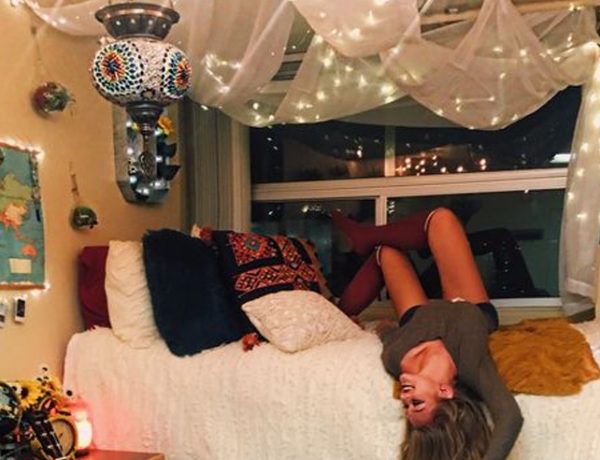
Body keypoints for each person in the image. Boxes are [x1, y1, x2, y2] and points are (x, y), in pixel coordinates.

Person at [332, 208, 523, 460]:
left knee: (385, 252)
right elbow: (510, 418)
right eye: (417, 402)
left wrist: (361, 325)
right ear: (445, 391)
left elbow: (387, 332)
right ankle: (364, 236)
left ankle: (336, 310)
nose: (405, 396)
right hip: (466, 304)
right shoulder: (470, 365)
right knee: (442, 220)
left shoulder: (395, 358)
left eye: (406, 404)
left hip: (417, 318)